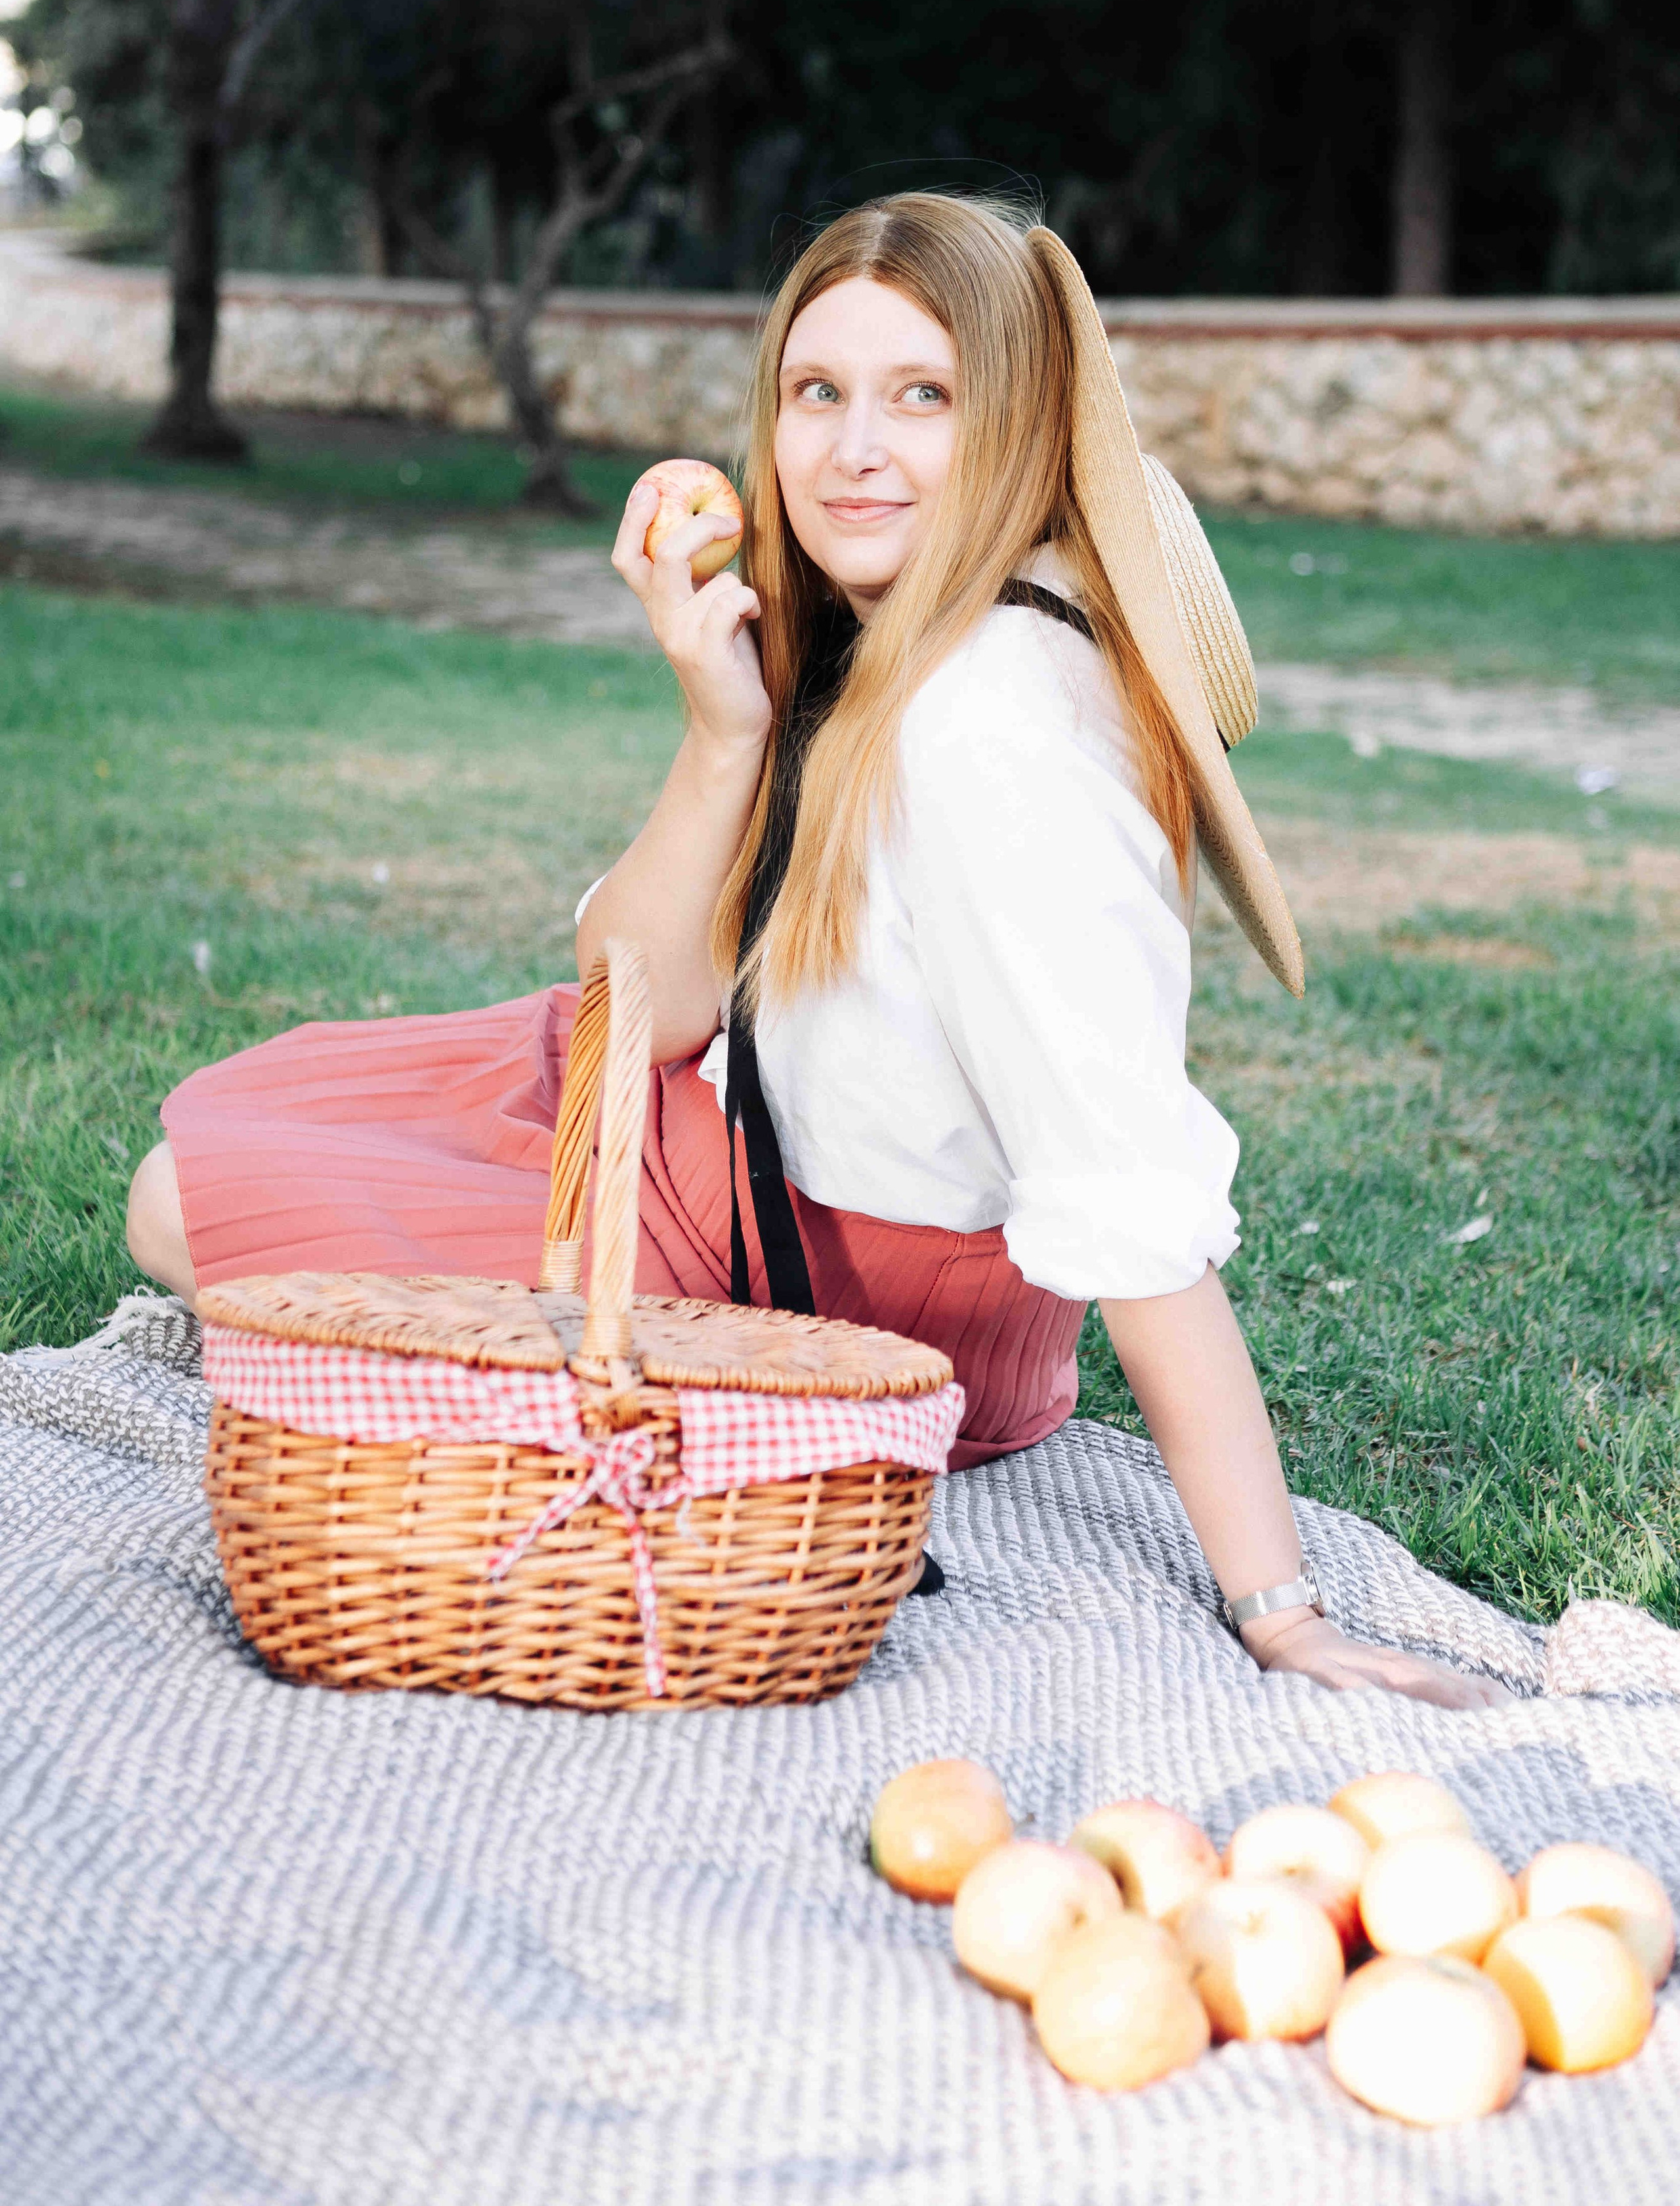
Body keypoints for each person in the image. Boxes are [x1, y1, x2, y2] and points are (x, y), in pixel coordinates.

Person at [129, 191, 1504, 1710]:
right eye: (816, 392)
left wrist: (1279, 1608)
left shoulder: (994, 727)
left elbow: (1117, 1177)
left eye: (923, 396)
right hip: (721, 1130)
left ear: (1015, 427)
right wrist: (722, 728)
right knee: (271, 1136)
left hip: (824, 1283)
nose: (853, 450)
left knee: (183, 1202)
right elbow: (635, 1006)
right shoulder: (885, 628)